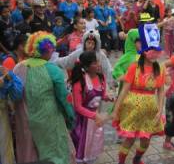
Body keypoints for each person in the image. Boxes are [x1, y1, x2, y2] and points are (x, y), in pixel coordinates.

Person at [13, 31, 75, 164]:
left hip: (25, 121)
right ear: (48, 50)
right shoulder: (53, 70)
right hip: (49, 120)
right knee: (54, 154)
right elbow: (65, 98)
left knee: (30, 153)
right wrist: (70, 117)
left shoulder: (18, 68)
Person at [112, 23, 165, 164]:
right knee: (129, 139)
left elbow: (161, 90)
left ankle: (137, 159)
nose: (154, 54)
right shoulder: (134, 67)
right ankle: (121, 162)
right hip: (132, 109)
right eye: (151, 50)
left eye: (156, 51)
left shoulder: (159, 68)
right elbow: (124, 90)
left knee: (146, 141)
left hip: (149, 110)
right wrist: (116, 110)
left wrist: (160, 110)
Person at [70, 51, 110, 164]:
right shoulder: (80, 82)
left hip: (95, 121)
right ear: (86, 67)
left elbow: (101, 95)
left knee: (93, 148)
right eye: (94, 63)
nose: (98, 64)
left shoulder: (101, 77)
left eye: (97, 61)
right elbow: (78, 107)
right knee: (81, 150)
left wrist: (108, 97)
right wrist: (94, 115)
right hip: (82, 122)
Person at [0, 63, 23, 164]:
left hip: (2, 117)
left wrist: (9, 78)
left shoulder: (3, 71)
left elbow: (17, 95)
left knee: (4, 148)